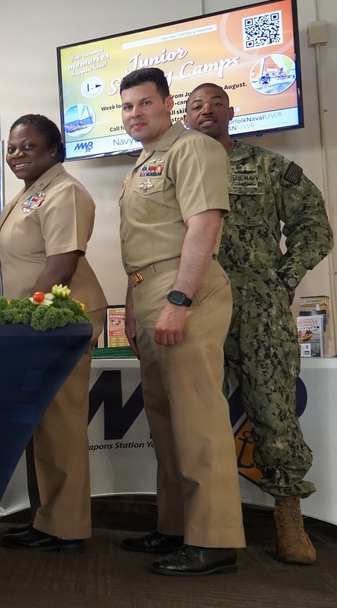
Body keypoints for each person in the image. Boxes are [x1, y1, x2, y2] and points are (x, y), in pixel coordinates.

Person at [184, 82, 334, 565]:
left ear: (232, 111)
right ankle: (203, 521)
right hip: (195, 305)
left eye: (215, 103)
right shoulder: (174, 167)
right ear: (182, 116)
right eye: (194, 105)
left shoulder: (267, 167)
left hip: (257, 311)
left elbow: (315, 223)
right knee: (195, 416)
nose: (205, 111)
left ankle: (289, 519)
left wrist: (286, 275)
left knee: (273, 412)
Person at [117, 68, 244, 576]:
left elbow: (203, 225)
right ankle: (175, 526)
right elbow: (139, 244)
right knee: (165, 420)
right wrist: (131, 306)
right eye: (127, 107)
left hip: (183, 291)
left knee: (198, 421)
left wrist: (179, 299)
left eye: (144, 104)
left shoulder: (193, 149)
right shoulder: (143, 161)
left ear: (167, 104)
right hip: (150, 293)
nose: (135, 114)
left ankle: (214, 541)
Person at [0, 115, 107, 551]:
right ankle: (47, 518)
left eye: (29, 147)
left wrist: (25, 315)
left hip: (61, 317)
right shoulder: (31, 193)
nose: (18, 155)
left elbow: (61, 263)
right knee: (41, 423)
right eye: (13, 147)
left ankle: (66, 526)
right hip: (37, 320)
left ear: (55, 151)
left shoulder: (65, 192)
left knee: (60, 423)